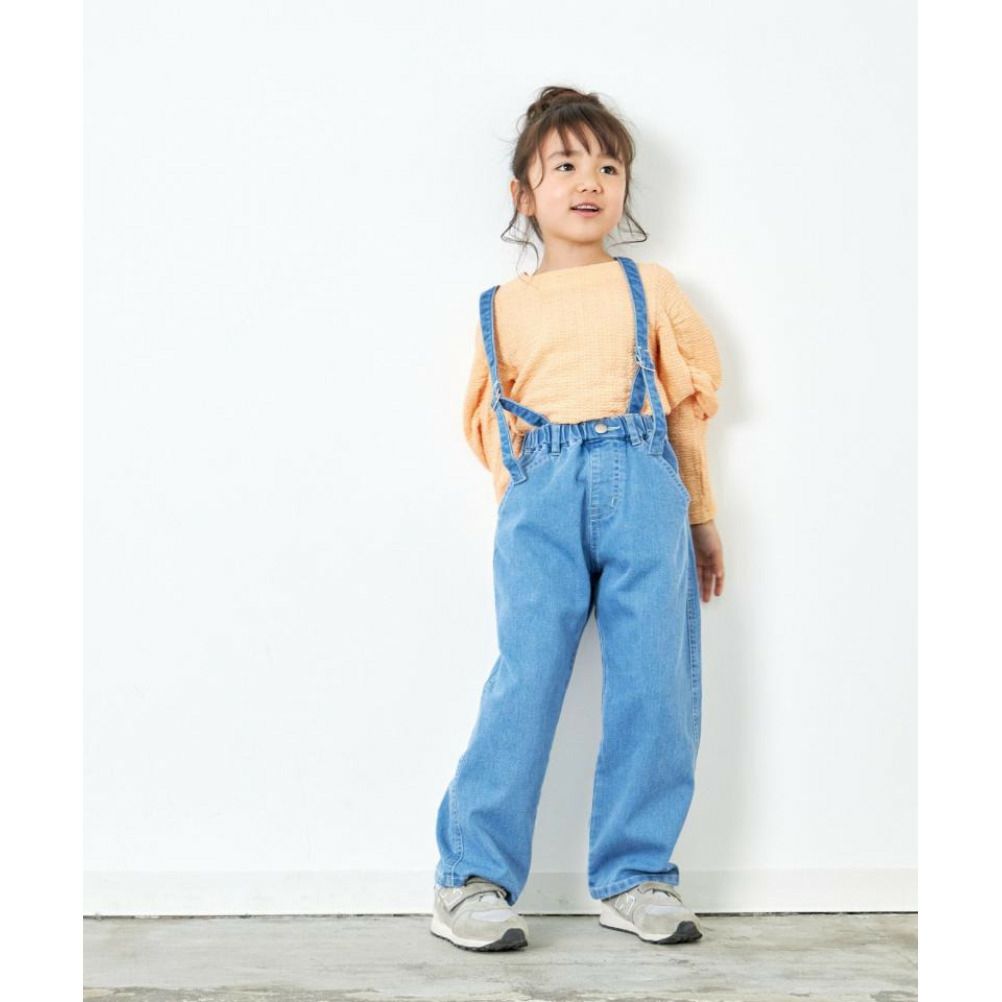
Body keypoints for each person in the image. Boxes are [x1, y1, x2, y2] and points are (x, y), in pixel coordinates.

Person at [430, 86, 725, 952]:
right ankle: (470, 877)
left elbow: (686, 409)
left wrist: (700, 517)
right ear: (524, 193)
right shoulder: (502, 305)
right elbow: (490, 425)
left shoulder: (649, 286)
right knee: (525, 680)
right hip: (540, 503)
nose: (589, 181)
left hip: (647, 489)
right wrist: (526, 505)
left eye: (608, 166)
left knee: (654, 683)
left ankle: (635, 875)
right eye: (564, 165)